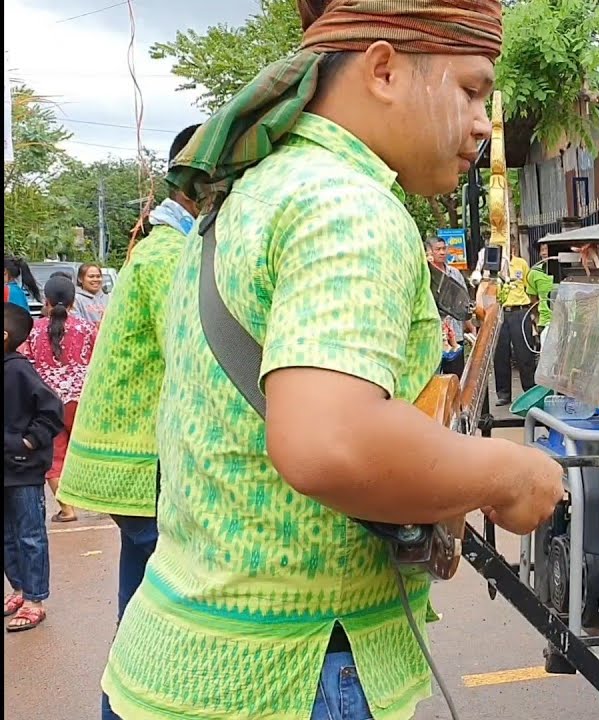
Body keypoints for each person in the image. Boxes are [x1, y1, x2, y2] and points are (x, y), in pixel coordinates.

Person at [98, 2, 565, 718]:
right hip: (295, 675)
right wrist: (512, 472)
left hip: (179, 660)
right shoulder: (347, 206)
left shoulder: (250, 192)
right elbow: (331, 443)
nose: (481, 123)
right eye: (471, 90)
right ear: (382, 69)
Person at [53, 123, 200, 720]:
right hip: (146, 462)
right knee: (160, 614)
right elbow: (202, 352)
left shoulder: (163, 247)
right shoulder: (172, 256)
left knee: (141, 597)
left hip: (140, 463)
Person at [3, 302, 65, 632]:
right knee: (8, 536)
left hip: (23, 470)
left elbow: (51, 410)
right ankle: (19, 589)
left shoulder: (18, 370)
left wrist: (28, 442)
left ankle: (35, 599)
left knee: (29, 535)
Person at [23, 276, 97, 523]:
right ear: (74, 301)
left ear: (47, 300)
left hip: (48, 404)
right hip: (82, 402)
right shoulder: (87, 329)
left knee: (55, 457)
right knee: (88, 452)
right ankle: (98, 501)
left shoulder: (33, 331)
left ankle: (67, 509)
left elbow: (28, 366)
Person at [493, 254, 554, 405]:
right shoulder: (493, 266)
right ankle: (503, 394)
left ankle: (530, 391)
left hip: (520, 311)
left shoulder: (521, 264)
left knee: (524, 354)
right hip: (500, 312)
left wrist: (532, 315)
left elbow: (530, 289)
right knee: (500, 355)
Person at [427, 236, 475, 377]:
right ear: (429, 252)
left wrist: (470, 327)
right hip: (433, 335)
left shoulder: (455, 273)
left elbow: (463, 303)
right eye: (438, 249)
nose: (442, 252)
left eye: (444, 249)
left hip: (455, 333)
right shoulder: (424, 274)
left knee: (456, 376)